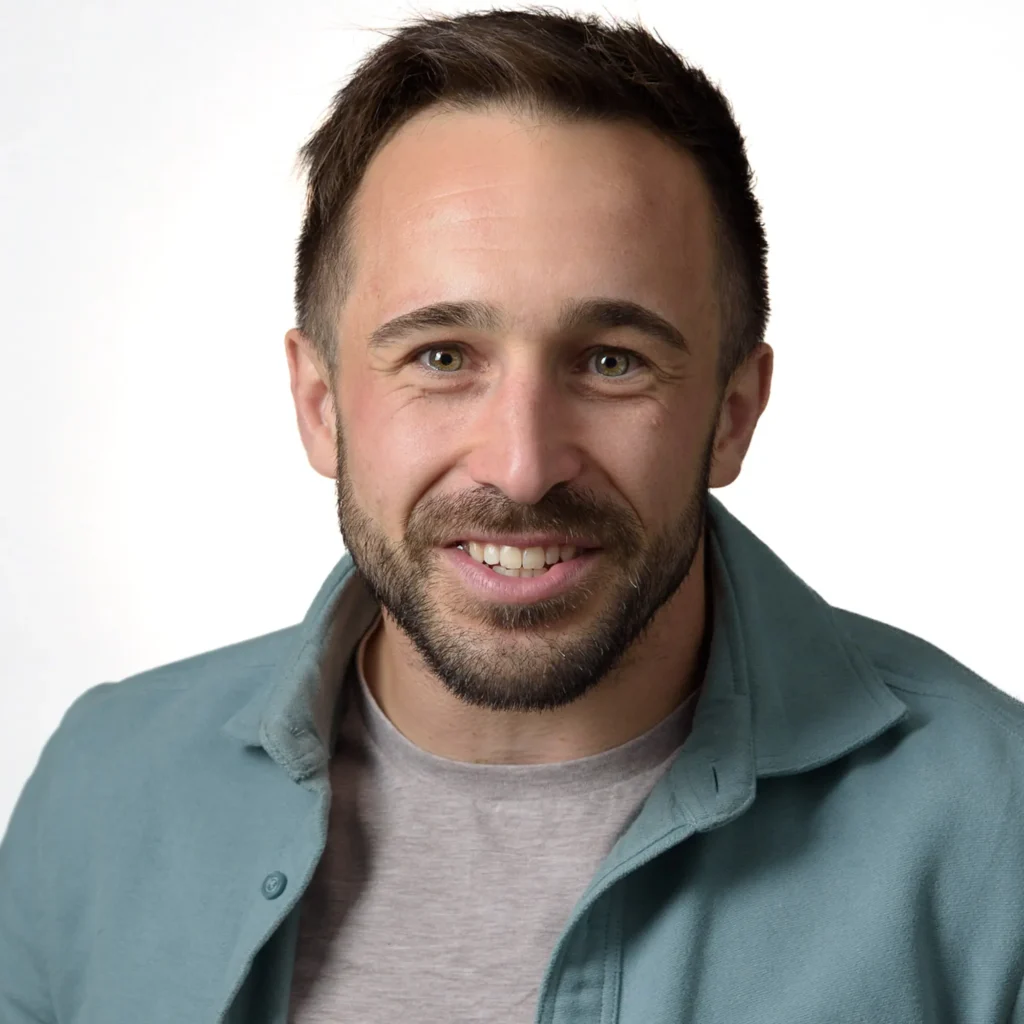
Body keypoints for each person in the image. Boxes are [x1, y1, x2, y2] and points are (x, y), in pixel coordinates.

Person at [2, 7, 1022, 1023]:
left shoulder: (997, 836)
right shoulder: (100, 788)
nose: (523, 467)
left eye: (611, 361)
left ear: (732, 415)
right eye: (441, 357)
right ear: (319, 404)